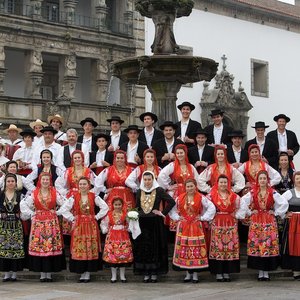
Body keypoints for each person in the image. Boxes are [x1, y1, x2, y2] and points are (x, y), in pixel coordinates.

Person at [57, 176, 108, 283]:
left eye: (84, 184)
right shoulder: (74, 197)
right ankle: (82, 273)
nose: (82, 186)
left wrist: (96, 217)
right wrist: (72, 218)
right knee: (80, 247)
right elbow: (64, 209)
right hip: (79, 226)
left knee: (89, 247)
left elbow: (105, 207)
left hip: (91, 225)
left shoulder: (94, 196)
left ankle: (88, 273)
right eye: (80, 184)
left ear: (89, 185)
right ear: (78, 185)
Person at [240, 170, 288, 281]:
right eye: (260, 178)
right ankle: (260, 272)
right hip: (256, 221)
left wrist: (276, 212)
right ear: (257, 180)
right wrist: (249, 212)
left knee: (267, 245)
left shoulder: (272, 192)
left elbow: (284, 203)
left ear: (267, 180)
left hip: (269, 220)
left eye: (264, 178)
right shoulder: (253, 192)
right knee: (257, 245)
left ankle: (265, 273)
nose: (262, 180)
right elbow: (242, 202)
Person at [20, 172, 66, 282]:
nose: (45, 181)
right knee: (40, 245)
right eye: (43, 179)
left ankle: (49, 274)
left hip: (51, 222)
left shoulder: (55, 193)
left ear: (50, 181)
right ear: (39, 181)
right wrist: (32, 213)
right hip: (38, 223)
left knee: (50, 245)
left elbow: (65, 203)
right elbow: (23, 204)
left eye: (47, 179)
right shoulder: (34, 193)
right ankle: (42, 273)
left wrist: (58, 212)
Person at [170, 178, 215, 283]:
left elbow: (211, 207)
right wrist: (177, 217)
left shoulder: (201, 197)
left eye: (192, 186)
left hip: (196, 225)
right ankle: (187, 274)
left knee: (196, 249)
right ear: (185, 187)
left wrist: (203, 217)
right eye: (188, 186)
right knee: (185, 249)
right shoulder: (179, 198)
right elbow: (171, 209)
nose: (190, 188)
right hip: (184, 226)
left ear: (195, 186)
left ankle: (195, 275)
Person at [134, 171, 175, 283]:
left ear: (153, 180)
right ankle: (146, 273)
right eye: (145, 179)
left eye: (149, 179)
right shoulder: (139, 191)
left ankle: (154, 273)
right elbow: (137, 206)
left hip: (155, 223)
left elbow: (171, 202)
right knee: (144, 248)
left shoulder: (159, 190)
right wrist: (132, 216)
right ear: (143, 180)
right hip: (142, 223)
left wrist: (162, 212)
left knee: (155, 247)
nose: (147, 182)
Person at [208, 175, 242, 282]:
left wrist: (236, 215)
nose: (223, 184)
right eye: (221, 182)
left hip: (230, 223)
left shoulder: (234, 196)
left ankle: (227, 272)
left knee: (229, 246)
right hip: (217, 222)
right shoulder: (211, 195)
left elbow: (241, 207)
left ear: (228, 184)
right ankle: (218, 272)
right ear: (217, 183)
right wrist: (209, 218)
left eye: (225, 182)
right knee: (219, 246)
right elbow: (205, 207)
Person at [55, 150, 95, 237]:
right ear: (72, 159)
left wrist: (91, 193)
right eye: (75, 158)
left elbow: (97, 184)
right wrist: (66, 193)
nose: (77, 159)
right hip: (72, 197)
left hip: (85, 196)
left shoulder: (88, 171)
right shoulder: (68, 171)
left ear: (82, 159)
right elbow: (58, 183)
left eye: (79, 157)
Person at [101, 197, 133, 283]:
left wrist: (130, 228)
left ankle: (122, 276)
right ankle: (113, 276)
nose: (117, 206)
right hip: (112, 237)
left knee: (123, 255)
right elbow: (104, 223)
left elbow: (130, 223)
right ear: (112, 205)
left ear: (122, 205)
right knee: (113, 255)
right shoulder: (109, 214)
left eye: (119, 204)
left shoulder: (126, 214)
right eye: (116, 205)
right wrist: (105, 229)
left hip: (123, 237)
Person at [0, 173, 25, 282]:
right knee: (4, 248)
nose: (10, 183)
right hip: (4, 225)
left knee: (15, 248)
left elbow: (24, 210)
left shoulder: (20, 195)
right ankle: (6, 274)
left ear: (16, 183)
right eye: (8, 181)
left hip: (16, 225)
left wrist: (21, 215)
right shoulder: (1, 195)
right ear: (5, 183)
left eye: (12, 181)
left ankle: (14, 273)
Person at [281, 171, 300, 279]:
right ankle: (296, 271)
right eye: (297, 178)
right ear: (294, 180)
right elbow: (278, 203)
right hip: (293, 223)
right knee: (294, 245)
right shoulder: (289, 193)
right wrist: (284, 214)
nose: (299, 180)